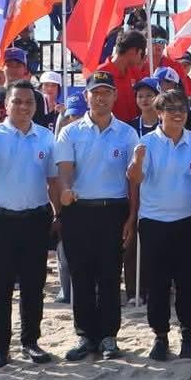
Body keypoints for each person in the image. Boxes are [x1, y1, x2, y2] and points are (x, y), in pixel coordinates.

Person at [0, 82, 59, 368]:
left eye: (29, 102)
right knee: (0, 286)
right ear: (6, 105)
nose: (23, 107)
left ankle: (31, 341)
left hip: (35, 219)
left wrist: (58, 214)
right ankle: (0, 345)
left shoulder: (45, 137)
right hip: (0, 220)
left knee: (33, 285)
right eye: (17, 101)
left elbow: (53, 180)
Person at [54, 74, 139, 360]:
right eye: (95, 93)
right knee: (81, 275)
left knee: (110, 275)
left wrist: (132, 217)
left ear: (115, 96)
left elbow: (133, 181)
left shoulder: (127, 134)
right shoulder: (70, 132)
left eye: (106, 92)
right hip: (79, 211)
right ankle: (85, 336)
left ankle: (108, 336)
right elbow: (64, 170)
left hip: (113, 211)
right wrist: (66, 190)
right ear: (86, 96)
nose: (101, 98)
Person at [128, 89, 191, 361]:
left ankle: (188, 336)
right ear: (159, 113)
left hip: (189, 220)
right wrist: (138, 160)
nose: (177, 114)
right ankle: (160, 336)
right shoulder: (146, 143)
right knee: (157, 283)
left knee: (187, 282)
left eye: (182, 109)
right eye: (171, 109)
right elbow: (135, 178)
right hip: (155, 222)